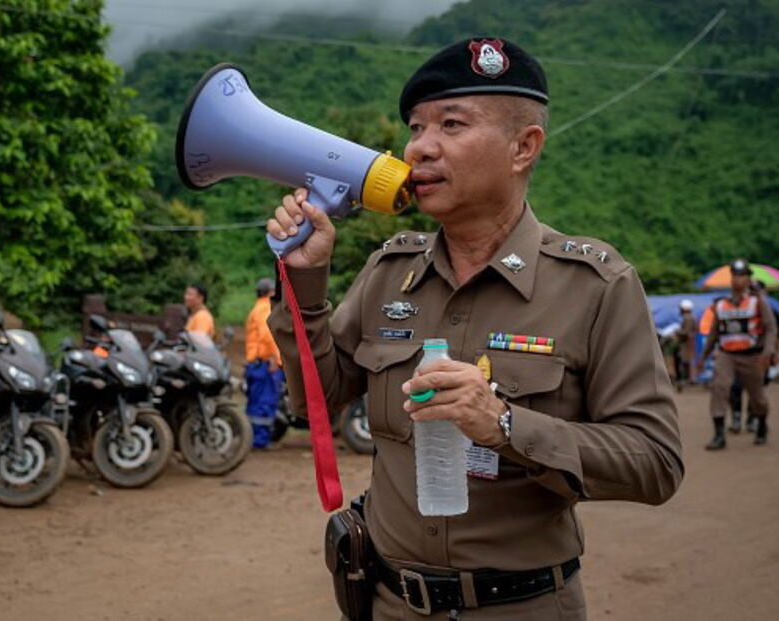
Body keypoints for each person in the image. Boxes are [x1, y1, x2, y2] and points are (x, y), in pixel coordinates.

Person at [267, 37, 683, 619]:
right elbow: (319, 398)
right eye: (415, 127)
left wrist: (504, 424)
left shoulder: (595, 284)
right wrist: (304, 284)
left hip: (525, 606)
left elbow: (656, 462)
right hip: (389, 602)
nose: (420, 148)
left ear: (523, 147)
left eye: (452, 125)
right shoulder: (390, 271)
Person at [698, 259, 777, 449]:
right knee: (719, 387)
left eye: (741, 275)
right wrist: (704, 357)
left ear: (748, 279)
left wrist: (768, 352)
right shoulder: (720, 305)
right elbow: (714, 333)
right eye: (734, 275)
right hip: (727, 354)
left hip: (752, 355)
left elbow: (771, 328)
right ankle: (719, 435)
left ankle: (761, 426)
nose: (737, 279)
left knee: (757, 396)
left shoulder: (758, 302)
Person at [243, 278, 285, 448]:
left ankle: (252, 438)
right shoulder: (266, 308)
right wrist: (275, 357)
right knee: (265, 403)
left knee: (255, 402)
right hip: (266, 364)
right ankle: (260, 440)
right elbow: (267, 334)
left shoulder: (257, 307)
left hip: (257, 363)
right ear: (271, 292)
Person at [673, 299, 697, 390]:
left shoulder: (687, 317)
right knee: (689, 359)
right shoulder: (691, 316)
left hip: (687, 342)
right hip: (690, 341)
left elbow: (686, 331)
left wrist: (677, 331)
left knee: (686, 360)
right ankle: (690, 378)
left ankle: (689, 379)